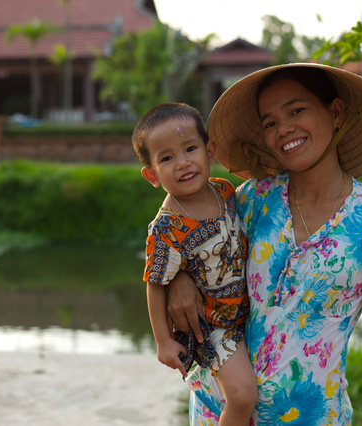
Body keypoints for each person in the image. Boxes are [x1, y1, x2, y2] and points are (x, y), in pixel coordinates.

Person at [166, 64, 362, 425]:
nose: (284, 130)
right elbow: (178, 228)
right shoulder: (252, 200)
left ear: (336, 112)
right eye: (269, 123)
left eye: (297, 111)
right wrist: (178, 280)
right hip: (216, 411)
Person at [132, 102, 258, 425]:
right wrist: (163, 342)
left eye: (190, 149)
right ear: (152, 175)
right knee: (243, 396)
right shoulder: (167, 227)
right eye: (167, 158)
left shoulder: (225, 190)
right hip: (212, 328)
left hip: (247, 315)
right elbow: (155, 282)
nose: (183, 163)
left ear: (210, 151)